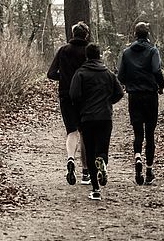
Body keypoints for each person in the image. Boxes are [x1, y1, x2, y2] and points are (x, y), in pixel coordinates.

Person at [69, 44, 124, 200]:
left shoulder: (80, 74)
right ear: (100, 55)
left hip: (87, 117)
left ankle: (95, 189)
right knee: (102, 149)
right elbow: (119, 93)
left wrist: (82, 106)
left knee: (91, 152)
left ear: (87, 56)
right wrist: (108, 102)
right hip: (105, 117)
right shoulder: (108, 74)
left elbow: (73, 95)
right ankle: (103, 162)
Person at [117, 22, 164, 185]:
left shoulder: (126, 53)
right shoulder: (153, 51)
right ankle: (149, 170)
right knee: (150, 134)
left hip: (134, 96)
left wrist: (130, 82)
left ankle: (138, 157)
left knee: (138, 132)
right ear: (148, 34)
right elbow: (156, 70)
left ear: (135, 34)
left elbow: (121, 76)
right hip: (150, 95)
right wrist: (161, 85)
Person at [47, 21, 91, 185]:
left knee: (72, 131)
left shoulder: (63, 50)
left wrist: (65, 78)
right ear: (86, 35)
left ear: (73, 34)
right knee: (85, 132)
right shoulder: (89, 51)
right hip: (85, 96)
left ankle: (70, 159)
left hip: (66, 96)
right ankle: (85, 172)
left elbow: (51, 73)